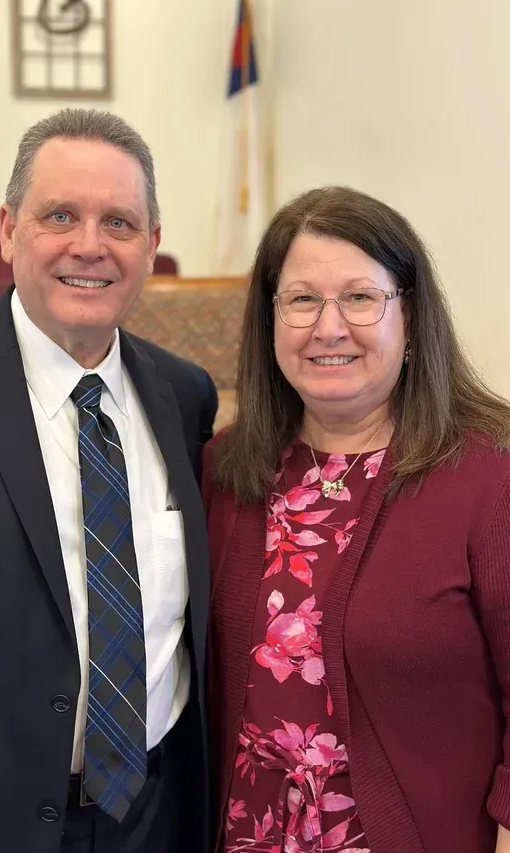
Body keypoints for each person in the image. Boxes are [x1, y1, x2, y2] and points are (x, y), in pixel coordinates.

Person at [0, 108, 217, 853]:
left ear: (153, 245)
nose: (89, 246)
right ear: (8, 229)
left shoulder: (186, 398)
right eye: (61, 214)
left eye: (119, 222)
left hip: (152, 822)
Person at [202, 186, 510, 853]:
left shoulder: (489, 473)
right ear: (270, 322)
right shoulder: (225, 471)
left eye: (361, 297)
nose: (329, 327)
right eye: (302, 298)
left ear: (411, 318)